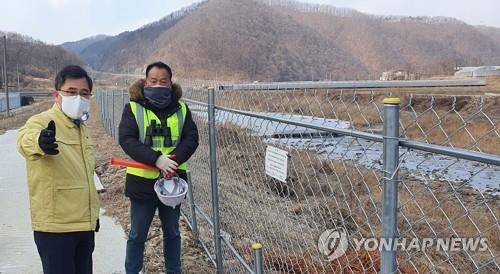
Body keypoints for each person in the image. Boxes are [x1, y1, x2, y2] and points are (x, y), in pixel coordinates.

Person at [16, 65, 100, 274]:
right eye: (71, 92)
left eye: (83, 93)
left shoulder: (83, 129)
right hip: (56, 228)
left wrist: (93, 218)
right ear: (56, 95)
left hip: (84, 224)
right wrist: (39, 141)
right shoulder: (42, 121)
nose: (78, 98)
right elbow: (24, 139)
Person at [118, 61, 199, 274]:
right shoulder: (133, 108)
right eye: (153, 81)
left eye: (163, 81)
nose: (158, 85)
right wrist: (156, 159)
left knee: (172, 232)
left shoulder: (182, 109)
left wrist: (173, 160)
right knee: (137, 234)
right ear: (146, 82)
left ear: (170, 84)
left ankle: (174, 270)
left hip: (173, 183)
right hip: (142, 182)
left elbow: (191, 139)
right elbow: (127, 140)